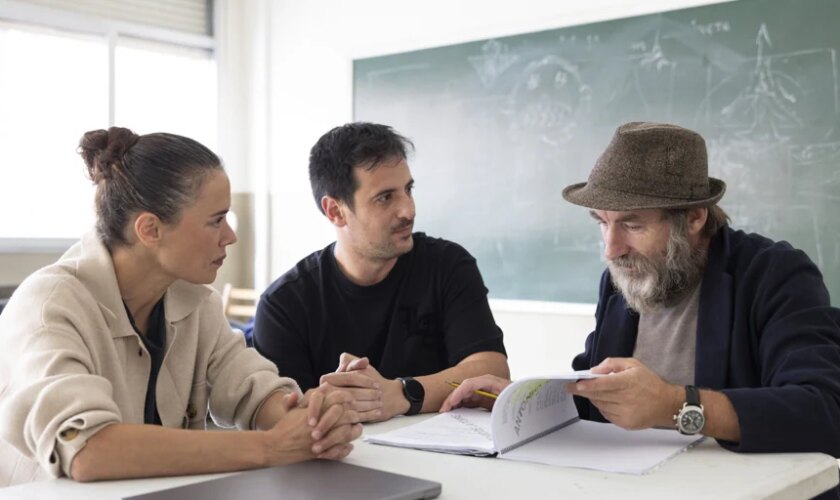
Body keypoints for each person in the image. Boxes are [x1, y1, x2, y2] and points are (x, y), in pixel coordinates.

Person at [442, 121, 840, 457]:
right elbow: (596, 391)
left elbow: (824, 409)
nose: (611, 249)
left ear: (695, 217)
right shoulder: (623, 280)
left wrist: (674, 406)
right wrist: (519, 398)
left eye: (632, 225)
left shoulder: (775, 275)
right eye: (602, 222)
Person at [0, 127, 362, 486]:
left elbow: (253, 388)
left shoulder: (195, 298)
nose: (230, 237)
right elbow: (87, 450)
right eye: (216, 220)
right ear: (150, 230)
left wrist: (309, 418)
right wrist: (269, 446)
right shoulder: (48, 305)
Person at [253, 122, 509, 423]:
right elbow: (284, 417)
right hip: (334, 466)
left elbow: (492, 370)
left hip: (441, 466)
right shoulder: (284, 304)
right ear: (335, 211)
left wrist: (401, 393)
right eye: (385, 198)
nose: (408, 210)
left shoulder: (448, 265)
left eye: (408, 190)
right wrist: (344, 397)